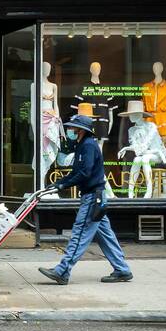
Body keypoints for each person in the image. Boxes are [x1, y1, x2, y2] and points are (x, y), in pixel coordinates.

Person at [38, 114, 133, 285]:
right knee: (105, 235)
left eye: (73, 128)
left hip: (92, 197)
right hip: (96, 196)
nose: (71, 130)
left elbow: (84, 173)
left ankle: (62, 270)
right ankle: (122, 269)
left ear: (81, 130)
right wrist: (58, 183)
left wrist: (63, 186)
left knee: (80, 233)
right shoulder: (83, 145)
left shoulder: (88, 146)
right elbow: (76, 172)